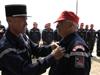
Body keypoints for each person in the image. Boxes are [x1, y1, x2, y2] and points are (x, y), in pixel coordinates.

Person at [0, 4, 65, 75]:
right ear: (9, 20)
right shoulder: (6, 47)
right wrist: (52, 57)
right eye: (22, 20)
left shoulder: (23, 36)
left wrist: (51, 47)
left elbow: (36, 49)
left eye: (26, 19)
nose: (26, 23)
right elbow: (26, 70)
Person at [49, 11, 91, 75]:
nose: (57, 26)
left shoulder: (78, 47)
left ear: (70, 25)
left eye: (61, 23)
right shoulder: (64, 41)